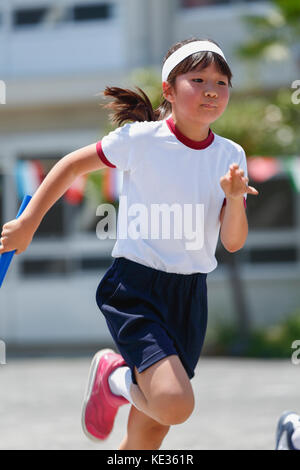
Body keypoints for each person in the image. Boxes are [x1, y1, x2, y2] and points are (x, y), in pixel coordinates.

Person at [0, 38, 258, 450]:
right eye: (198, 78)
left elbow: (232, 241)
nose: (212, 89)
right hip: (136, 289)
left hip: (190, 295)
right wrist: (28, 223)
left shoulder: (231, 155)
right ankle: (113, 377)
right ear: (169, 90)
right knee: (174, 405)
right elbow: (70, 166)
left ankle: (118, 387)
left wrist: (232, 198)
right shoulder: (141, 139)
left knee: (150, 430)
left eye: (222, 81)